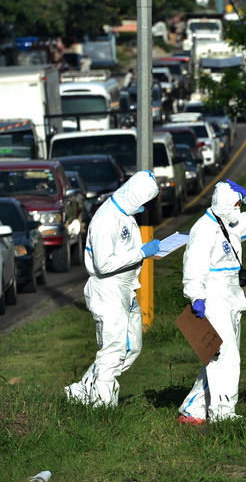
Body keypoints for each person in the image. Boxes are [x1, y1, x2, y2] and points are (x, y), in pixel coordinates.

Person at [177, 179, 246, 425]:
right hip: (212, 298)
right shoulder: (204, 229)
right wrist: (196, 297)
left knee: (218, 354)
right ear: (225, 204)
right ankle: (223, 414)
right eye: (237, 204)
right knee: (226, 358)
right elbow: (193, 266)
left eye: (241, 204)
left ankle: (193, 408)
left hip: (231, 298)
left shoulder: (230, 223)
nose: (239, 208)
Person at [65, 170, 161, 408]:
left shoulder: (125, 214)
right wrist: (141, 253)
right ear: (136, 197)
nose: (145, 208)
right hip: (108, 290)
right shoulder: (107, 219)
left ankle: (83, 392)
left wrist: (141, 253)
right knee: (113, 349)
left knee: (132, 347)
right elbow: (104, 264)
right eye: (144, 203)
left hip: (126, 289)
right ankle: (103, 407)